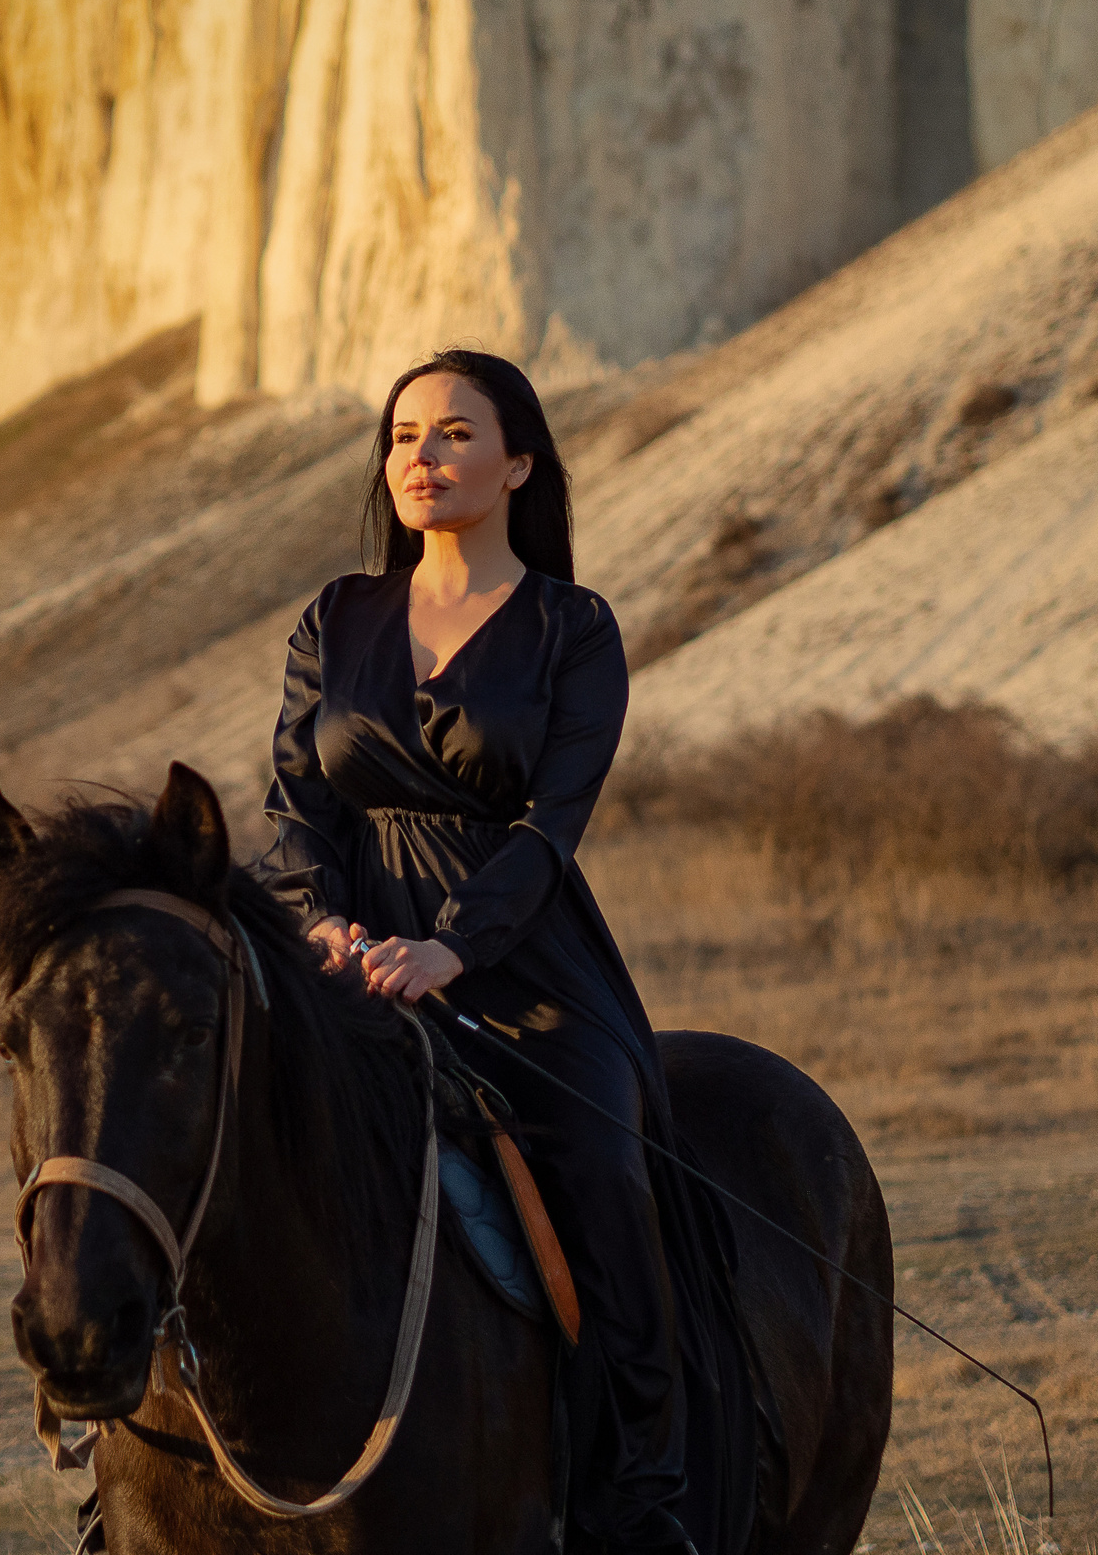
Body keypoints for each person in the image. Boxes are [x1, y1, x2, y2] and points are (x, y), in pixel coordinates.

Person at [256, 350, 764, 1555]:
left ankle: (642, 1497)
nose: (420, 458)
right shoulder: (336, 617)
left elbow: (550, 828)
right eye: (402, 436)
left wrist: (450, 950)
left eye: (453, 434)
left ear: (519, 464)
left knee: (602, 1167)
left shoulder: (571, 629)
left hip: (524, 969)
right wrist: (321, 923)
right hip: (347, 962)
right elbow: (294, 805)